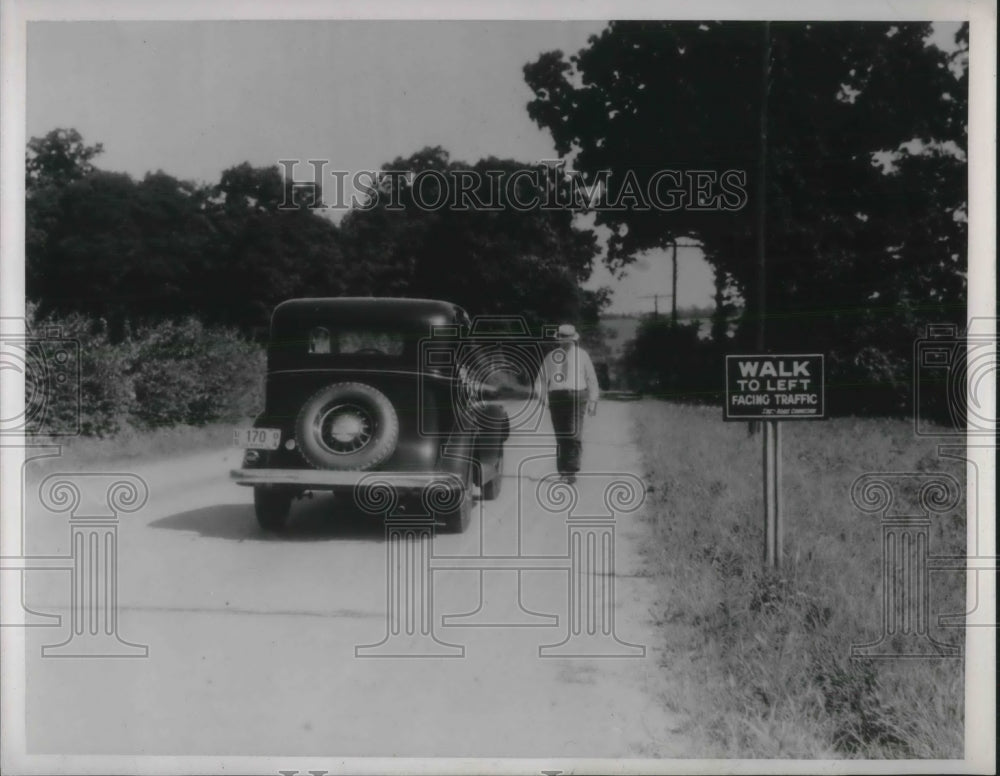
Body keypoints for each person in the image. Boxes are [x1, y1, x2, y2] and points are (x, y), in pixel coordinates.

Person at [534, 323, 599, 483]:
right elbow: (540, 381)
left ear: (574, 340)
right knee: (562, 436)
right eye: (563, 339)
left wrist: (593, 401)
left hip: (578, 397)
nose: (566, 342)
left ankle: (571, 471)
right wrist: (544, 399)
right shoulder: (551, 357)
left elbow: (591, 379)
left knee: (573, 434)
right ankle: (563, 471)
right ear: (559, 340)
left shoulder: (582, 355)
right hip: (557, 398)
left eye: (569, 339)